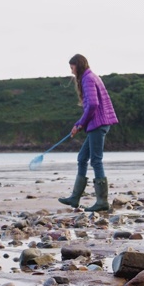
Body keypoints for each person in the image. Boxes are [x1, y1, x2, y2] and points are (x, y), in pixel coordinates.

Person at [58, 54, 119, 212]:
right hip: (99, 124)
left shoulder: (87, 78)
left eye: (72, 68)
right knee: (82, 158)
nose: (71, 72)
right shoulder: (91, 76)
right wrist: (80, 124)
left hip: (98, 124)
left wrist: (79, 124)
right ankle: (75, 198)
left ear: (78, 65)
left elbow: (92, 104)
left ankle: (102, 202)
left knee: (96, 161)